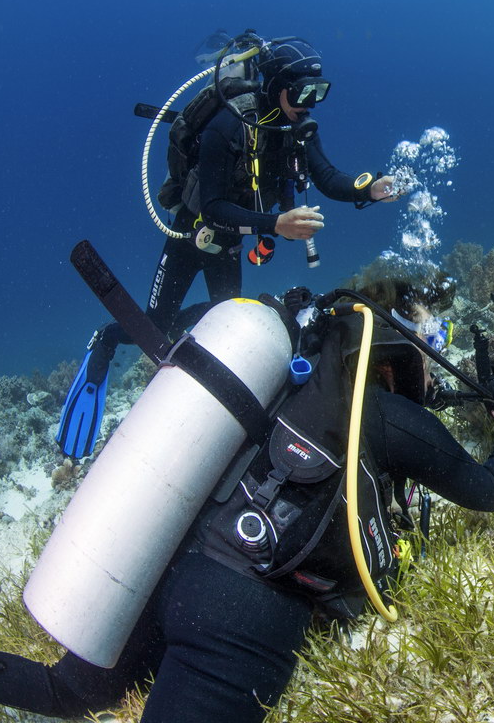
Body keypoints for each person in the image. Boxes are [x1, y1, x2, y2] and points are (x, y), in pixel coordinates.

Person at [0, 277, 494, 721]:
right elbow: (486, 491)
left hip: (165, 565)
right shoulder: (380, 415)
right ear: (399, 343)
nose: (441, 351)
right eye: (436, 333)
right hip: (242, 611)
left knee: (70, 693)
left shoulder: (288, 383)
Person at [56, 34, 399, 460]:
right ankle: (105, 340)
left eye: (318, 92)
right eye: (303, 91)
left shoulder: (297, 129)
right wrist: (276, 223)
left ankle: (211, 412)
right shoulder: (228, 125)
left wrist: (371, 187)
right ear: (276, 85)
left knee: (226, 324)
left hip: (233, 244)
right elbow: (215, 207)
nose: (310, 102)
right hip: (192, 236)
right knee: (155, 326)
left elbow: (329, 179)